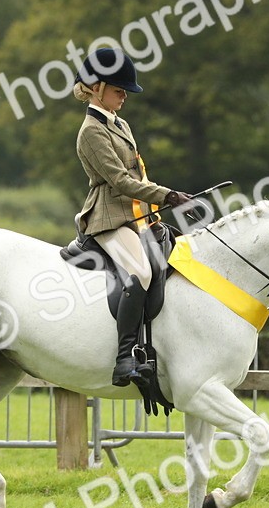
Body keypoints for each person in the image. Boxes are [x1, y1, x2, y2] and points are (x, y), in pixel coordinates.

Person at [72, 48, 192, 387]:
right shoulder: (91, 132)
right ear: (97, 88)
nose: (124, 96)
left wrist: (163, 200)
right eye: (119, 90)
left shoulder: (119, 124)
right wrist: (167, 195)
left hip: (137, 215)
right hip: (109, 217)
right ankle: (124, 358)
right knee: (140, 272)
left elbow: (139, 175)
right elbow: (121, 181)